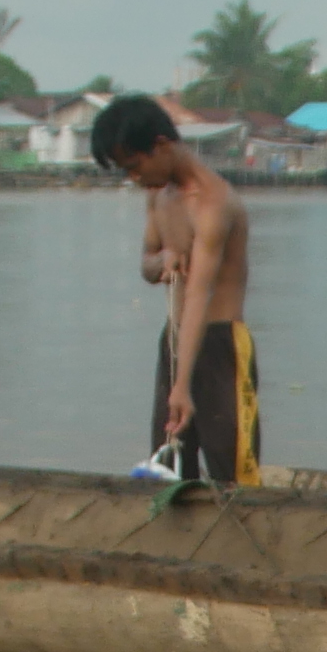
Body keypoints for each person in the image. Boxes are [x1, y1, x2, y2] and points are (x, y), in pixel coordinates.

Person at [93, 95, 257, 484]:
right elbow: (147, 266)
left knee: (231, 470)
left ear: (161, 146)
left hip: (220, 346)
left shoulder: (213, 204)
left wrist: (182, 387)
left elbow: (199, 294)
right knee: (169, 465)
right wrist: (163, 258)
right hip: (175, 340)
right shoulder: (157, 195)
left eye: (135, 166)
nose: (133, 178)